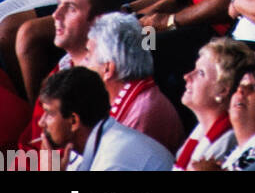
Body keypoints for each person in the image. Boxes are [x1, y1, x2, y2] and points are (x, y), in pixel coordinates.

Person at [38, 65, 174, 171]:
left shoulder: (114, 162)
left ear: (74, 121)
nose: (40, 123)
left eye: (49, 114)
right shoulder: (81, 148)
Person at [83, 11, 184, 153]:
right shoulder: (138, 98)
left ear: (108, 69)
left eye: (88, 55)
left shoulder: (139, 119)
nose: (83, 61)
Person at [175, 39, 255, 169]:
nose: (187, 76)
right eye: (194, 69)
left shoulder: (227, 144)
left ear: (223, 90)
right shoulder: (201, 131)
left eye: (201, 73)